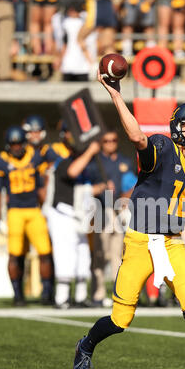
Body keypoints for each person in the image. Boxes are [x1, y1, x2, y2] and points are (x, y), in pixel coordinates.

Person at [73, 71, 185, 369]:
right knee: (121, 319)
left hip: (173, 243)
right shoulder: (161, 145)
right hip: (141, 241)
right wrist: (117, 95)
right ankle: (87, 345)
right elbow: (137, 139)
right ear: (176, 127)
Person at [0, 125, 55, 306]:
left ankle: (47, 293)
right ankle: (18, 295)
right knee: (15, 254)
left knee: (44, 252)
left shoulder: (35, 157)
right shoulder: (1, 160)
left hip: (34, 209)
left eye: (19, 143)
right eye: (13, 144)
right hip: (15, 211)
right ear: (8, 145)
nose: (17, 147)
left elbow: (42, 185)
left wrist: (47, 207)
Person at [46, 125, 106, 309]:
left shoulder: (86, 166)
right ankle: (62, 298)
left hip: (78, 215)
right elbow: (72, 172)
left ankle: (80, 296)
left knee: (82, 255)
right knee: (66, 255)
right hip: (62, 213)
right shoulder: (64, 161)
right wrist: (90, 151)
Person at [87, 130, 136, 306]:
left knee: (117, 254)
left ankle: (118, 293)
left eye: (113, 140)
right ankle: (98, 294)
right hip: (101, 209)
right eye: (106, 140)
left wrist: (126, 196)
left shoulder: (124, 161)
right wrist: (101, 187)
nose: (110, 143)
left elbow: (131, 183)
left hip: (117, 210)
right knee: (100, 254)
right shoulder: (95, 162)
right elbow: (87, 185)